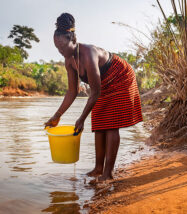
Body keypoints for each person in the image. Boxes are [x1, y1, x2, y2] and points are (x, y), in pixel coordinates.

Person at [45, 13, 143, 181]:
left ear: (73, 40)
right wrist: (57, 116)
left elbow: (95, 92)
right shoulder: (69, 61)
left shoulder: (88, 53)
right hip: (103, 83)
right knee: (98, 120)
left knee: (111, 123)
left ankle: (107, 174)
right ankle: (98, 168)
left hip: (120, 76)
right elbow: (72, 91)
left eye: (63, 47)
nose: (61, 52)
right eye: (57, 48)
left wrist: (81, 118)